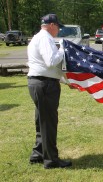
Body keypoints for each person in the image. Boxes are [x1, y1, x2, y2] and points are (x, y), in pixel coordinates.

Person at [27, 13, 72, 169]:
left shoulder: (38, 37)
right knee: (49, 123)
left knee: (41, 121)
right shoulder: (45, 38)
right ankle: (51, 160)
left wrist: (65, 81)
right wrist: (63, 49)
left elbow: (49, 67)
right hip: (45, 85)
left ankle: (38, 153)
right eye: (58, 27)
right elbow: (51, 61)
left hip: (38, 82)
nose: (58, 30)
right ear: (52, 25)